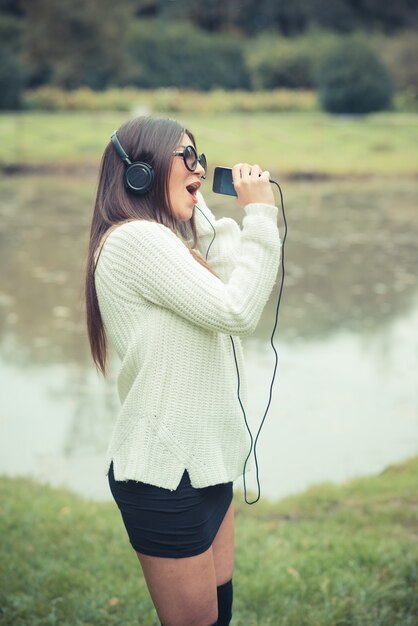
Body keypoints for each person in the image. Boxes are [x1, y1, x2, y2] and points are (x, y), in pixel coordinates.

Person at [85, 116, 281, 626]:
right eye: (186, 158)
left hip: (206, 463)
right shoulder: (135, 242)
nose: (198, 167)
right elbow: (239, 312)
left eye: (200, 157)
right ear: (140, 174)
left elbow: (234, 283)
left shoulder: (170, 239)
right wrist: (261, 217)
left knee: (220, 615)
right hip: (164, 475)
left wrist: (202, 207)